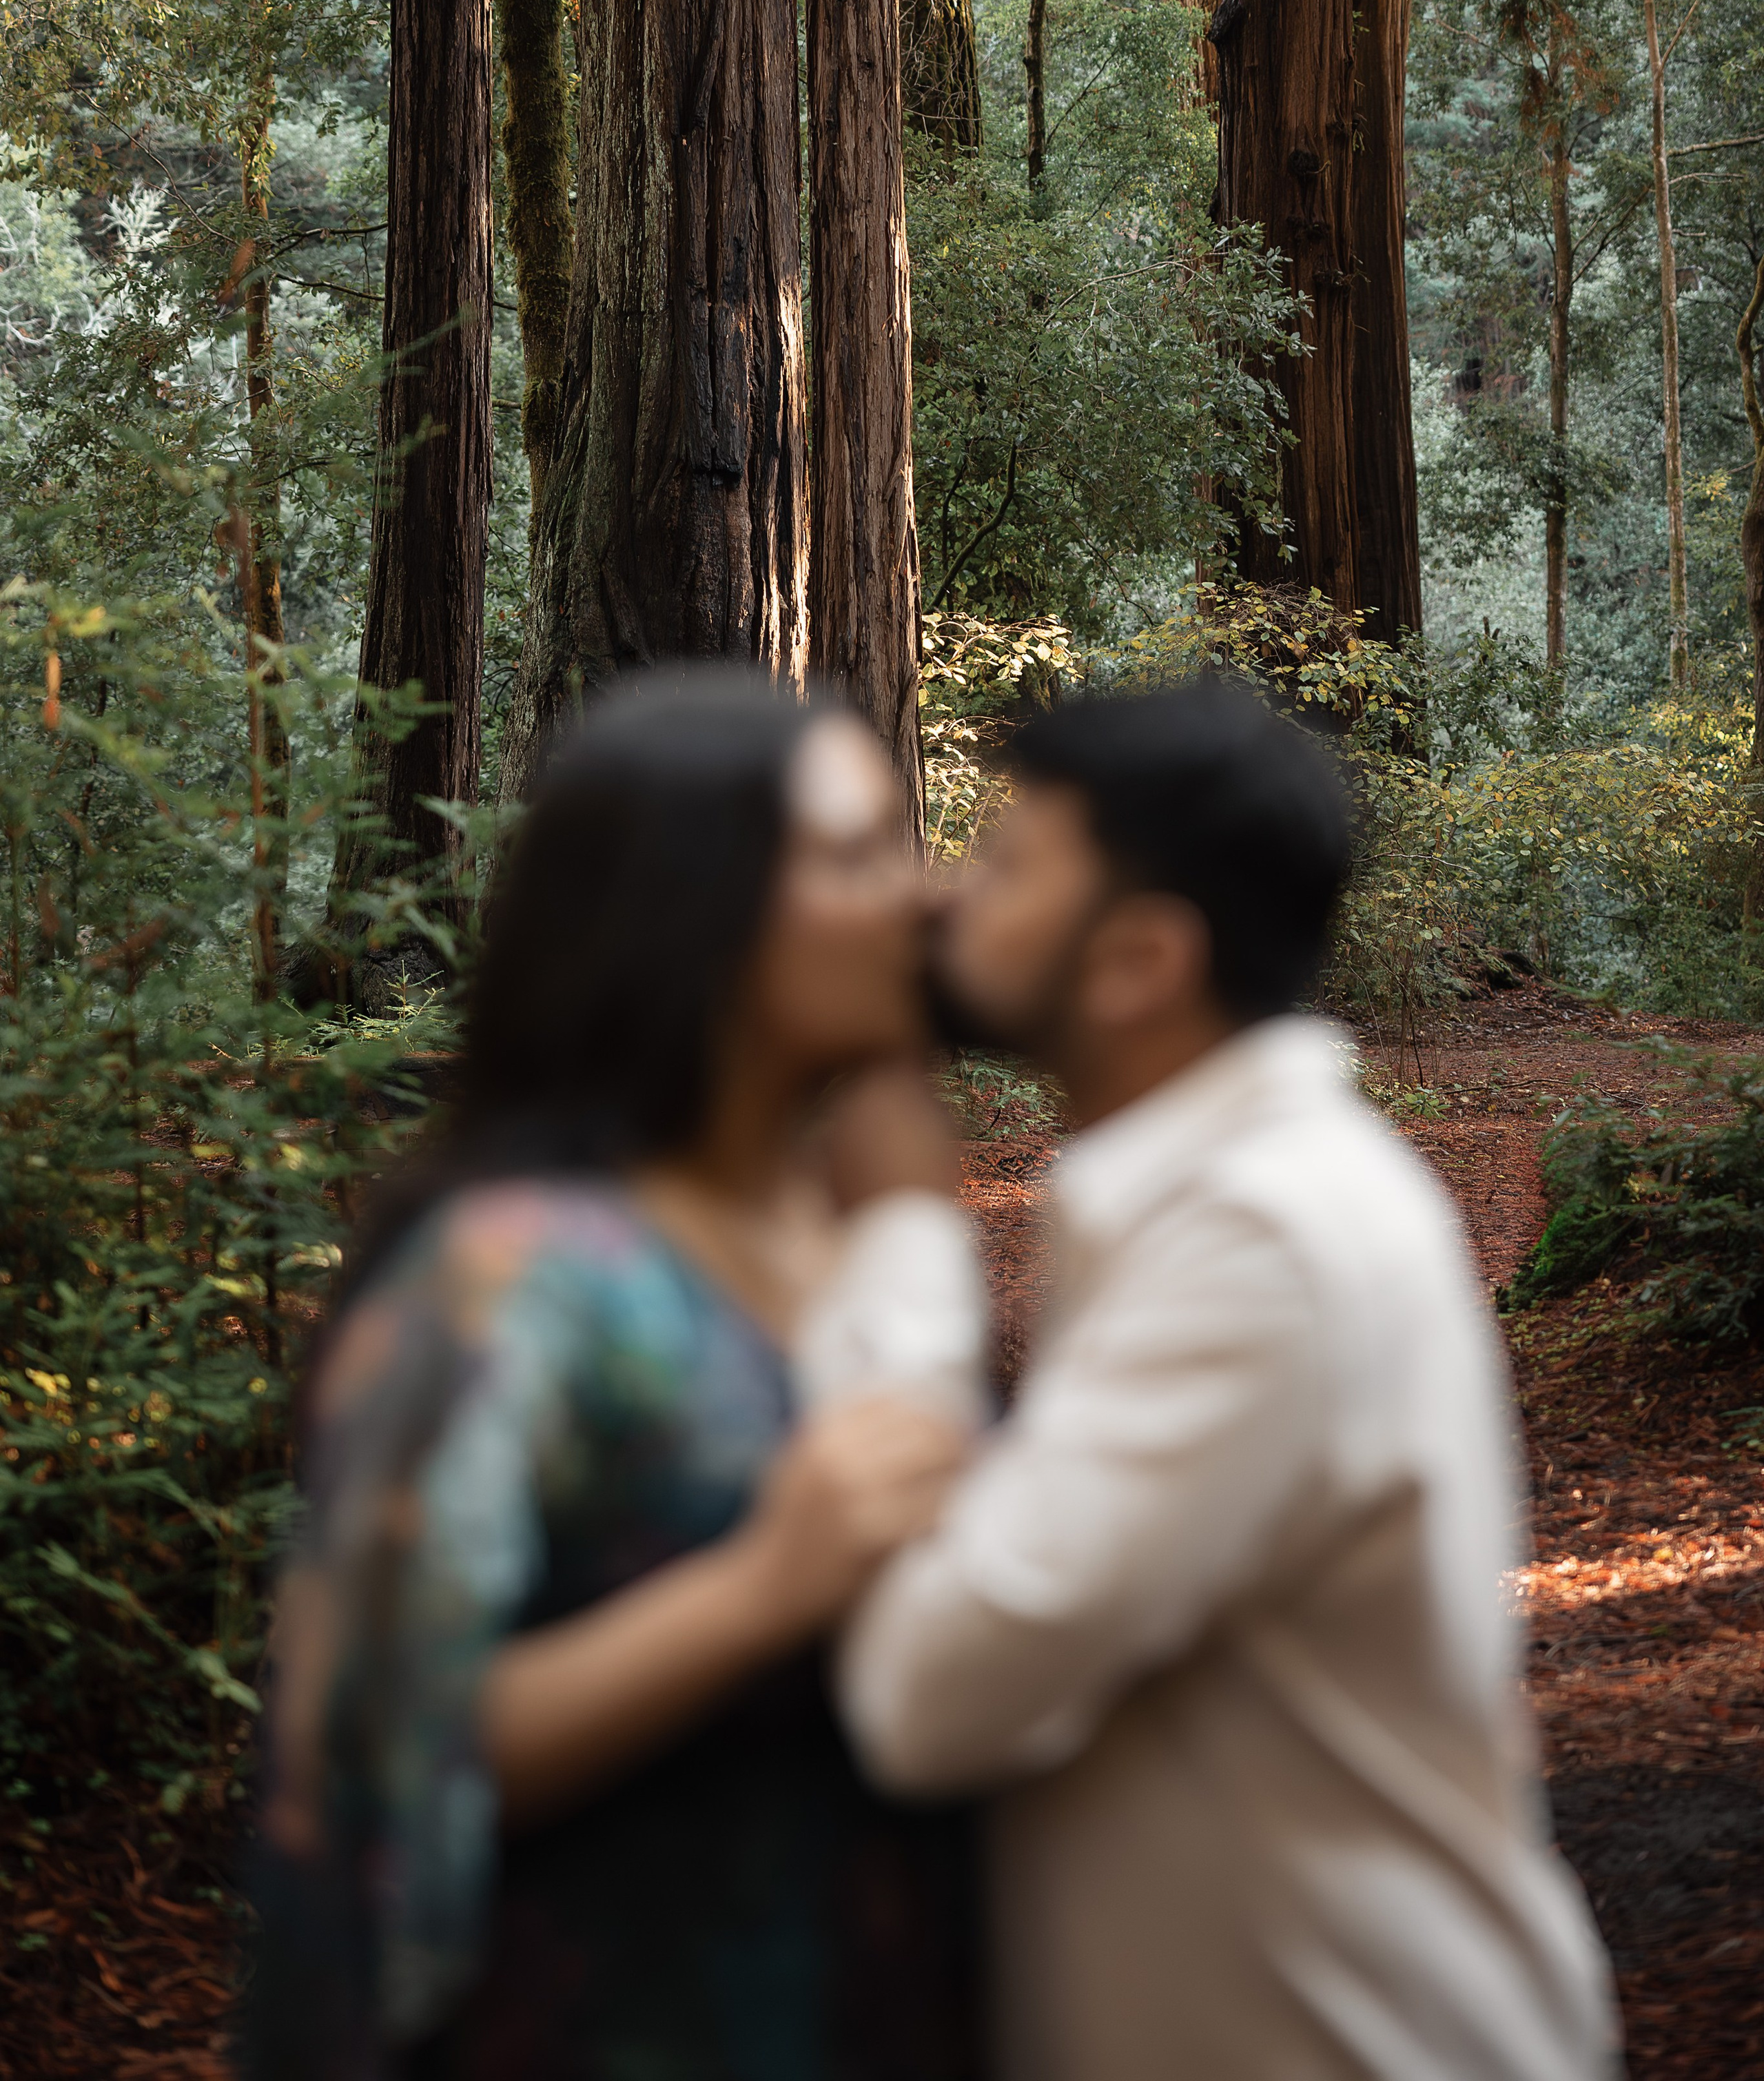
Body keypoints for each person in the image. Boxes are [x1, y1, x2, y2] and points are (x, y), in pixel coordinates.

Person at [841, 678, 1619, 2081]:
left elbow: (928, 1693)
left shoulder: (1257, 1242)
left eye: (1006, 865)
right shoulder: (1224, 1193)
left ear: (1137, 959)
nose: (947, 897)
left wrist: (897, 1234)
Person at [246, 670, 989, 2081]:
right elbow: (380, 1748)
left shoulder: (847, 1230)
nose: (916, 896)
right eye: (850, 855)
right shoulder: (508, 1280)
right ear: (692, 911)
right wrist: (756, 1589)